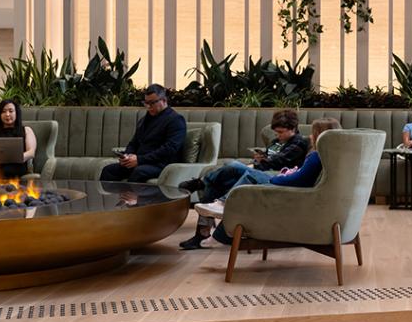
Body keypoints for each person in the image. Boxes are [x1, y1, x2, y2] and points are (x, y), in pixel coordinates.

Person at [180, 118, 341, 249]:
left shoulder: (308, 151)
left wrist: (276, 177)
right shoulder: (328, 155)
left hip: (284, 183)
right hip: (284, 179)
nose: (311, 137)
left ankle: (220, 204)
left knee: (241, 171)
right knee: (221, 179)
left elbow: (298, 178)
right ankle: (207, 230)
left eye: (313, 133)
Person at [177, 109, 309, 203]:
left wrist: (259, 162)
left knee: (232, 165)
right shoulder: (276, 142)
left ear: (293, 128)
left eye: (281, 132)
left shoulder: (298, 142)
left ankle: (201, 182)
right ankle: (203, 228)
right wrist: (260, 157)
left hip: (272, 175)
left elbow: (278, 161)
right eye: (276, 132)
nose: (278, 135)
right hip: (261, 169)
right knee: (217, 183)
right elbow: (268, 157)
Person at [99, 84, 187, 183]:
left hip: (162, 164)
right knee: (109, 170)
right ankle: (108, 198)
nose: (148, 107)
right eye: (146, 103)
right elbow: (134, 142)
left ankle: (129, 198)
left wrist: (140, 160)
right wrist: (127, 156)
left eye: (152, 103)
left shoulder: (175, 120)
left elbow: (169, 149)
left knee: (139, 172)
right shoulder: (145, 120)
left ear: (164, 100)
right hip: (141, 162)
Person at [0, 99, 37, 179]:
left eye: (11, 111)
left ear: (16, 113)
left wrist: (16, 157)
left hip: (16, 166)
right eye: (3, 111)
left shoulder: (26, 130)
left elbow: (31, 152)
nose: (7, 114)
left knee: (6, 170)